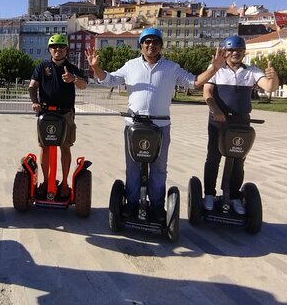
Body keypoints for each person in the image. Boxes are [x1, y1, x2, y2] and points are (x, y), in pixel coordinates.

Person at [86, 27, 226, 222]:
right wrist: (95, 68)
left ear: (160, 45)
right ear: (141, 45)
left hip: (160, 125)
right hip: (134, 124)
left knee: (159, 168)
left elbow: (193, 83)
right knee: (133, 166)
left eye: (155, 42)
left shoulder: (171, 67)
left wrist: (214, 68)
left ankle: (158, 205)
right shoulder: (131, 65)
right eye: (147, 42)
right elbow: (109, 79)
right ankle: (132, 202)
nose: (151, 45)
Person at [202, 35, 279, 214]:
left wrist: (274, 77)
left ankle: (234, 196)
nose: (235, 53)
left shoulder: (251, 71)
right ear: (225, 52)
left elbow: (269, 87)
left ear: (244, 52)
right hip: (218, 121)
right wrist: (216, 110)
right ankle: (209, 194)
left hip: (241, 122)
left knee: (238, 160)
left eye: (239, 50)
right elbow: (207, 92)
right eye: (231, 50)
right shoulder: (216, 70)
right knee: (213, 157)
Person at [29, 34, 88, 198]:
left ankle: (64, 183)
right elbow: (32, 86)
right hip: (46, 113)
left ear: (66, 50)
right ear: (49, 49)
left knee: (65, 147)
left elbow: (83, 85)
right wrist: (35, 102)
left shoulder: (71, 67)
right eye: (54, 47)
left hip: (65, 114)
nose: (58, 50)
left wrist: (73, 79)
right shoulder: (42, 67)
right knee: (45, 148)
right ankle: (46, 181)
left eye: (61, 47)